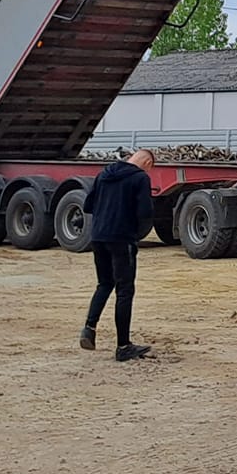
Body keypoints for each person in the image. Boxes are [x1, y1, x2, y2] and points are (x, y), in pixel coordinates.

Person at [81, 149, 156, 361]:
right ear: (147, 162)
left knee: (104, 284)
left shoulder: (104, 174)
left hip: (98, 236)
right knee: (124, 291)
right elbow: (145, 212)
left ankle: (89, 327)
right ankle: (123, 346)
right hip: (121, 239)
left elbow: (88, 205)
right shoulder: (140, 178)